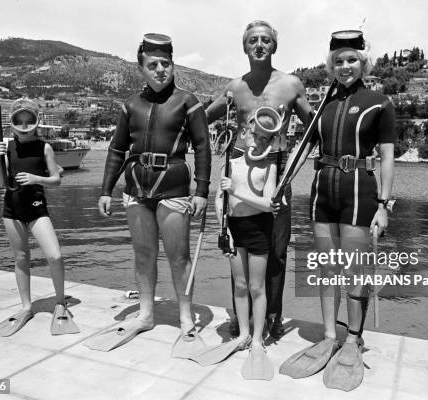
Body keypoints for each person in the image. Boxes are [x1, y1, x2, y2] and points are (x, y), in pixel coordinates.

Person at [278, 30, 396, 391]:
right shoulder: (323, 106)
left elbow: (388, 156)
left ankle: (353, 338)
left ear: (364, 62)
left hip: (360, 192)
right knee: (327, 267)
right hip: (321, 193)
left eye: (351, 60)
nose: (344, 66)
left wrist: (383, 205)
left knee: (354, 269)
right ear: (330, 65)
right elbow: (302, 150)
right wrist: (280, 186)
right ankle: (330, 335)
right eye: (338, 61)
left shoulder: (379, 103)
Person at [87, 33, 211, 353]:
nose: (160, 69)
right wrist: (105, 190)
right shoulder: (131, 106)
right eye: (153, 64)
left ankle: (185, 316)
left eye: (165, 64)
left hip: (174, 187)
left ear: (173, 66)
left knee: (178, 257)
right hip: (135, 190)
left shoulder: (188, 101)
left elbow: (202, 147)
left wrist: (202, 191)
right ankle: (145, 314)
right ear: (141, 67)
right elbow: (116, 149)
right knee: (143, 255)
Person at [206, 20, 312, 338]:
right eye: (253, 40)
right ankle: (245, 315)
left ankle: (272, 316)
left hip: (277, 167)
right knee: (238, 243)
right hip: (239, 167)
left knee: (276, 247)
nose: (260, 45)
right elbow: (199, 117)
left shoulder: (292, 84)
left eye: (266, 40)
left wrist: (295, 163)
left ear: (274, 46)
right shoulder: (235, 88)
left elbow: (316, 127)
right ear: (245, 46)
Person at [0, 97, 78, 337]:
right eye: (20, 120)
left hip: (37, 208)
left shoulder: (44, 147)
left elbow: (57, 180)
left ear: (37, 122)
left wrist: (37, 179)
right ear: (13, 123)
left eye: (29, 120)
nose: (25, 125)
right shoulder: (5, 148)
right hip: (11, 210)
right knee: (20, 258)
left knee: (54, 255)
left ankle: (60, 302)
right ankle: (26, 306)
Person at [216, 107, 282, 379]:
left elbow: (268, 204)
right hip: (234, 229)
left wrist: (237, 190)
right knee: (240, 285)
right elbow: (220, 199)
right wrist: (224, 228)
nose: (261, 142)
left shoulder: (270, 167)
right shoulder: (231, 164)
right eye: (257, 136)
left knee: (257, 286)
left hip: (258, 229)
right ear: (244, 133)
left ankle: (257, 338)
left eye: (268, 139)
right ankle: (243, 332)